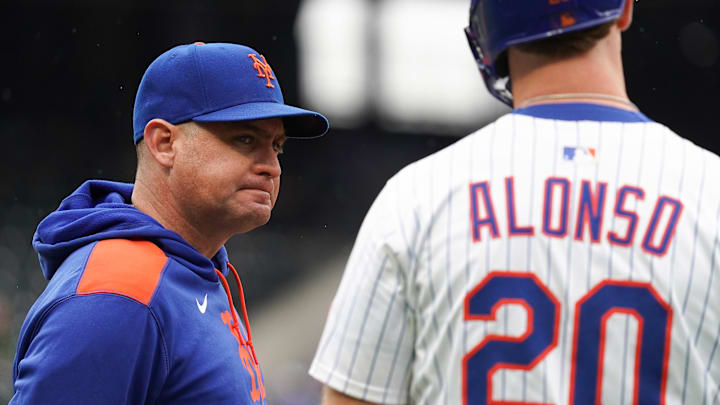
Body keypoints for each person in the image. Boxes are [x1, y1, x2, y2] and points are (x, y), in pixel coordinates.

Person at [309, 0, 720, 404]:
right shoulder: (710, 190)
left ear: (487, 28)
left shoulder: (416, 196)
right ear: (625, 9)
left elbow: (352, 399)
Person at [11, 42, 328, 404]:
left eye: (277, 146)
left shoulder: (193, 269)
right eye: (245, 138)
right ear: (164, 143)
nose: (270, 165)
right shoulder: (119, 292)